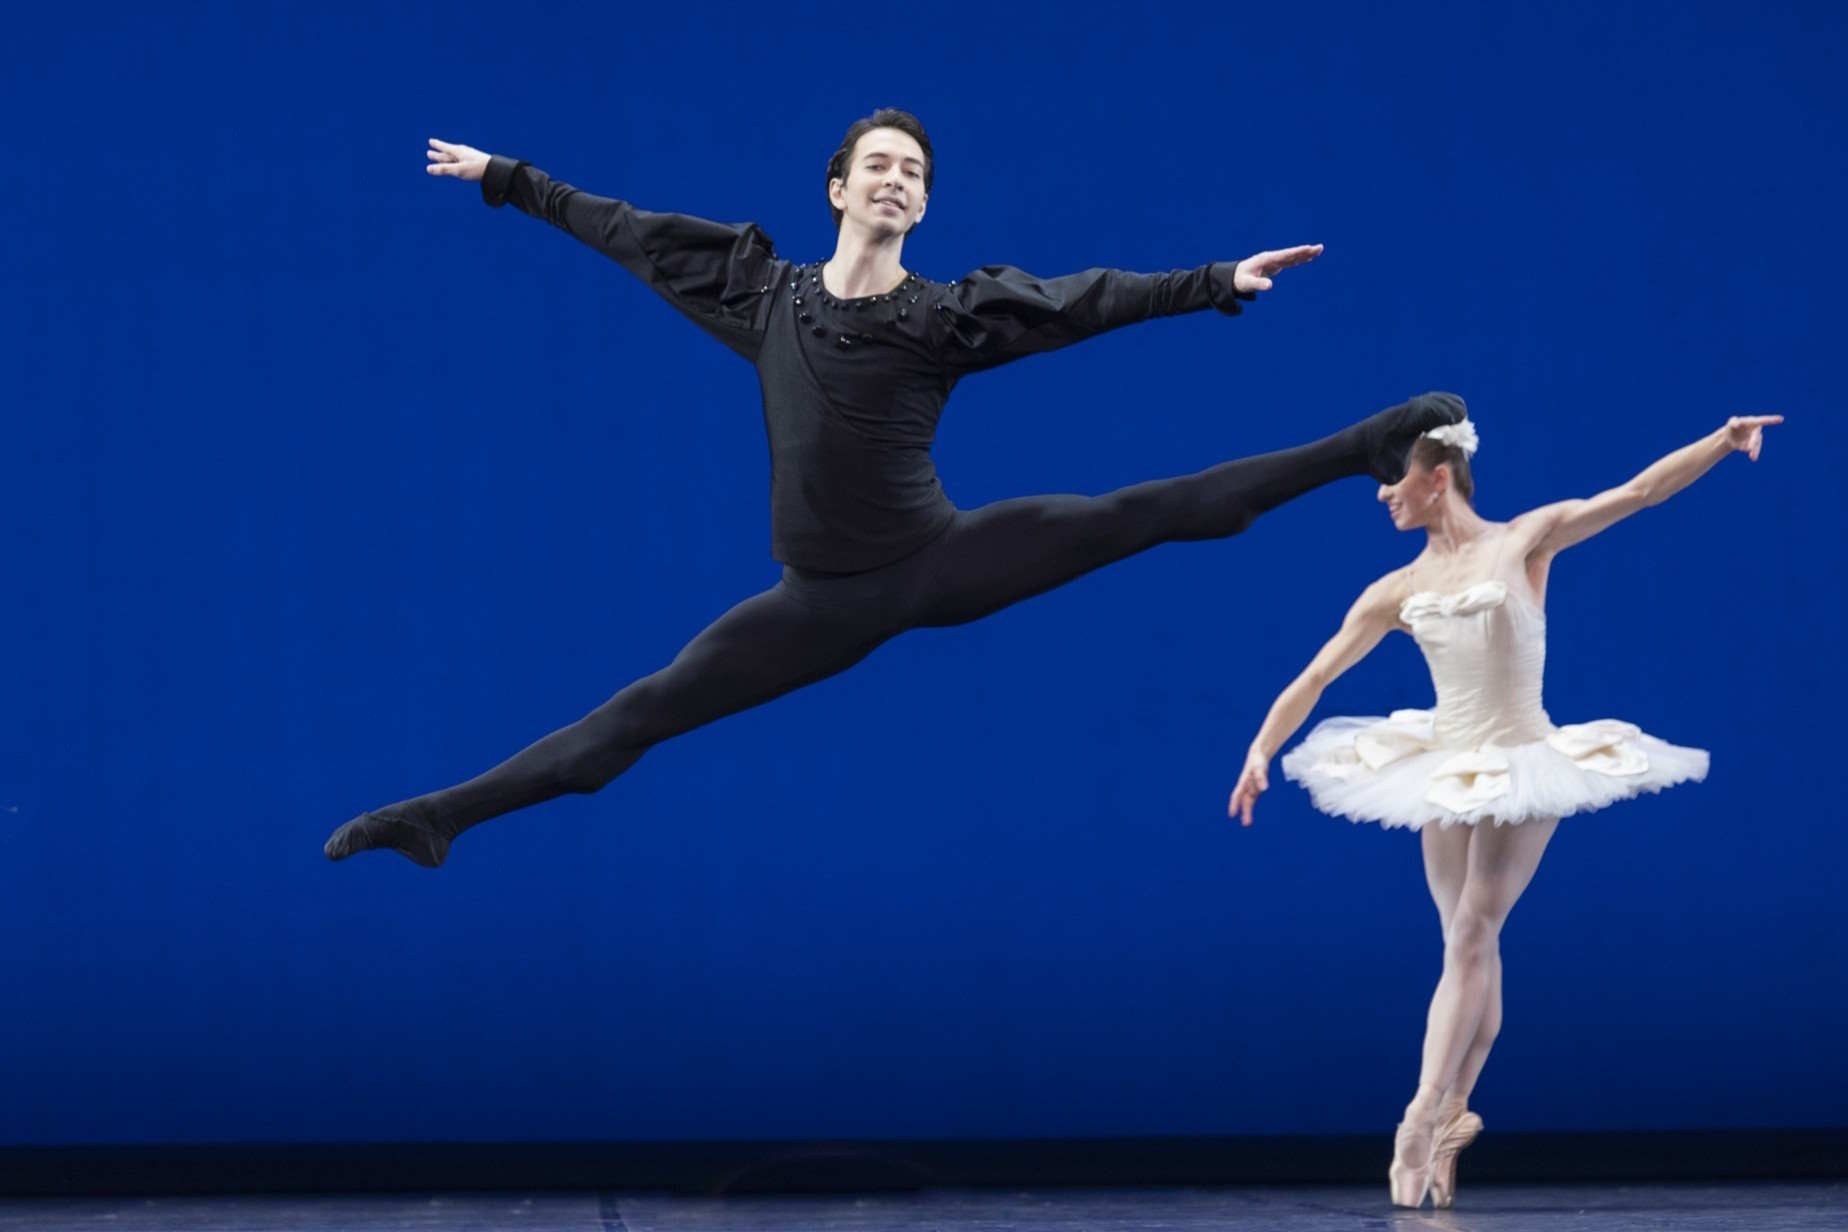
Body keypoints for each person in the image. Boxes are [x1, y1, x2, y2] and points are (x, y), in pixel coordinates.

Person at [325, 108, 1463, 868]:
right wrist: (507, 179)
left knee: (1144, 512)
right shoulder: (760, 295)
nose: (896, 180)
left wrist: (1215, 279)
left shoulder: (940, 317)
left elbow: (1080, 301)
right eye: (878, 163)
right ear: (838, 187)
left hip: (937, 558)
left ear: (921, 209)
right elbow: (625, 233)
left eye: (913, 174)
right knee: (631, 720)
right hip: (818, 599)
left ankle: (1364, 441)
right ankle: (440, 818)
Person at [1226, 412, 1782, 1208]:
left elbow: (1640, 492)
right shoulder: (1397, 589)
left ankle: (1419, 1116)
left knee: (1471, 932)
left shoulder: (1524, 540)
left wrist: (1721, 443)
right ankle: (1454, 1116)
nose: (1383, 494)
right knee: (1466, 953)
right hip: (1444, 769)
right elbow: (1316, 677)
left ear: (1437, 477)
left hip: (1523, 761)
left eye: (1395, 478)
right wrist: (1260, 748)